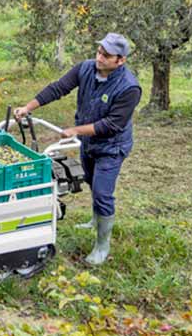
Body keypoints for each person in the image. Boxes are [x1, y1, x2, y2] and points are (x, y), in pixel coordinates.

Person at [13, 33, 141, 265]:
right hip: (90, 143)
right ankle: (95, 219)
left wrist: (76, 130)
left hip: (112, 147)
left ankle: (102, 246)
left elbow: (112, 124)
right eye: (99, 52)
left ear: (120, 60)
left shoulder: (129, 88)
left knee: (102, 192)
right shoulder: (86, 69)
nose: (99, 57)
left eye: (106, 55)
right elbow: (58, 88)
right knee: (91, 180)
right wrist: (28, 107)